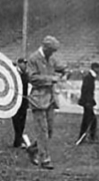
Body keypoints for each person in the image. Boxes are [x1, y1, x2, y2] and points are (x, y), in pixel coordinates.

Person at [26, 36, 67, 170]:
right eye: (51, 50)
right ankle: (44, 159)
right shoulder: (33, 58)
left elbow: (60, 67)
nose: (53, 53)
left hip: (50, 99)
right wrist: (51, 79)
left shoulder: (51, 58)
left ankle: (33, 148)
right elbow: (32, 78)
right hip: (38, 99)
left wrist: (64, 72)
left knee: (49, 130)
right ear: (45, 47)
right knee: (42, 130)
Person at [77, 62, 99, 144]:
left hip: (88, 102)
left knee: (89, 119)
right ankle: (87, 137)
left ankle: (87, 136)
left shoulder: (90, 77)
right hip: (87, 102)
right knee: (90, 120)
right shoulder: (88, 77)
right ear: (94, 68)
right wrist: (88, 102)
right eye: (98, 68)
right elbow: (85, 90)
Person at [12, 57, 30, 148]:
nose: (25, 65)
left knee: (22, 122)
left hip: (24, 101)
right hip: (16, 101)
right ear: (19, 63)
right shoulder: (14, 74)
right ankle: (18, 141)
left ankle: (18, 141)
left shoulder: (25, 74)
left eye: (26, 63)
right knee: (17, 122)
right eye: (24, 63)